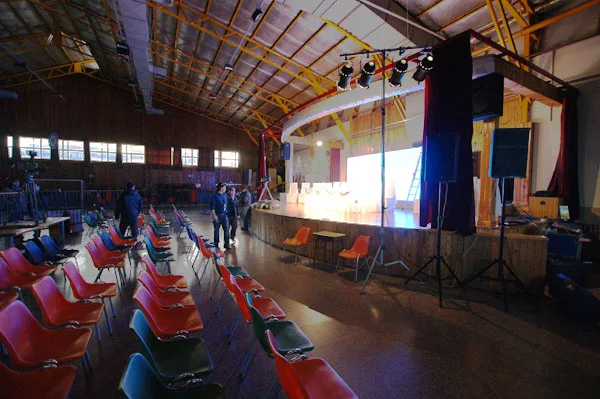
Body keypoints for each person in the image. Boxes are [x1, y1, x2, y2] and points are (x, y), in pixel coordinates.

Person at [210, 182, 230, 251]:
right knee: (216, 231)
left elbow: (229, 202)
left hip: (225, 216)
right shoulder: (215, 196)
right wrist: (214, 215)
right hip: (217, 216)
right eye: (224, 187)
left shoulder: (225, 195)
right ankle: (216, 244)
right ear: (221, 188)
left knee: (227, 231)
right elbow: (212, 207)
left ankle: (226, 245)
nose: (225, 189)